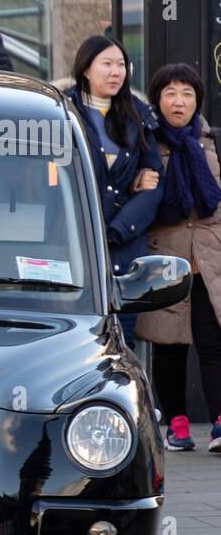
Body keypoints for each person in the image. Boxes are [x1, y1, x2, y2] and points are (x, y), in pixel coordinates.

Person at [136, 63, 221, 451]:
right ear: (157, 99)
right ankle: (177, 424)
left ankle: (220, 421)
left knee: (212, 341)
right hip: (165, 257)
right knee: (169, 346)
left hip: (209, 258)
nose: (179, 101)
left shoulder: (210, 141)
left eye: (187, 93)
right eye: (170, 92)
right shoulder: (146, 143)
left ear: (197, 100)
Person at [63, 35, 162, 340]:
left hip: (124, 251)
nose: (116, 72)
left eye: (121, 64)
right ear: (86, 69)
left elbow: (154, 184)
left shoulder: (138, 114)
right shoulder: (62, 110)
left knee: (123, 341)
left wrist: (115, 230)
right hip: (72, 247)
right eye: (106, 64)